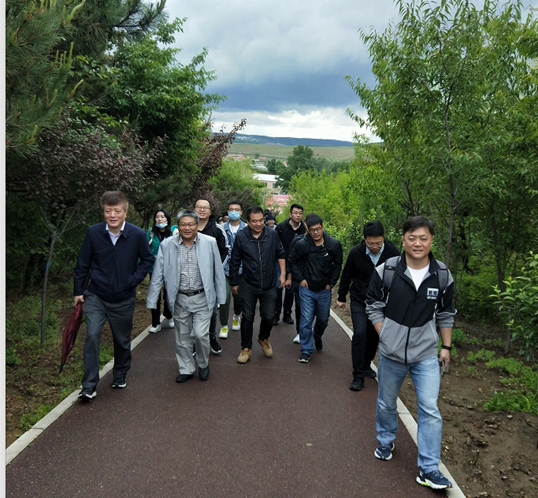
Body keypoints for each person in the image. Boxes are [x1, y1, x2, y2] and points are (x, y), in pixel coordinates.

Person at [366, 216, 456, 490]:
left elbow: (446, 313)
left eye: (423, 238)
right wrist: (386, 334)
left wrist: (446, 347)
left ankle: (429, 468)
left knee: (430, 409)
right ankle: (385, 439)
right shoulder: (387, 270)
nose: (418, 243)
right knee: (386, 403)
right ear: (403, 239)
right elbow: (373, 305)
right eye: (412, 238)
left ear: (431, 241)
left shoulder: (442, 275)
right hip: (392, 353)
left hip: (426, 355)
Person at [74, 191, 155, 400]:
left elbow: (148, 259)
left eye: (117, 211)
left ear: (125, 213)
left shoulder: (137, 235)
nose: (112, 215)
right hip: (96, 295)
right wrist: (78, 291)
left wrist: (132, 281)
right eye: (108, 210)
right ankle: (89, 385)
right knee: (92, 336)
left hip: (123, 298)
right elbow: (82, 263)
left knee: (121, 340)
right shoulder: (93, 233)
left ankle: (120, 374)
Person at [147, 209, 226, 382]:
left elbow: (218, 271)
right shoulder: (167, 244)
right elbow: (158, 273)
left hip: (202, 297)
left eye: (191, 224)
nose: (187, 228)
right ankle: (186, 368)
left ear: (197, 225)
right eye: (183, 224)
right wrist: (152, 299)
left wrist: (221, 297)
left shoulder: (209, 242)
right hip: (179, 298)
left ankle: (203, 363)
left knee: (200, 334)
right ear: (177, 226)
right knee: (182, 337)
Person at [337, 221, 400, 391]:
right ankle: (358, 375)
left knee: (374, 336)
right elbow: (347, 275)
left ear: (383, 238)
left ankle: (366, 363)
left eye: (378, 243)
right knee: (359, 333)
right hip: (360, 299)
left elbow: (399, 278)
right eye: (370, 244)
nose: (374, 247)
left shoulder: (393, 253)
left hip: (381, 303)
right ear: (364, 239)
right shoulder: (356, 253)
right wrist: (342, 296)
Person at [229, 206, 286, 364]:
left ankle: (263, 338)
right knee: (247, 317)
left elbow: (280, 253)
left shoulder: (272, 234)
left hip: (269, 284)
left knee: (269, 316)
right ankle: (246, 348)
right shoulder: (242, 236)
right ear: (247, 222)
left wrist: (282, 274)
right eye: (254, 221)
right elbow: (235, 260)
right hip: (249, 283)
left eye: (261, 220)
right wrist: (234, 282)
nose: (258, 224)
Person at [288, 213, 343, 363]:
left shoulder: (333, 244)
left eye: (318, 229)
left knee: (323, 319)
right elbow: (292, 261)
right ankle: (306, 350)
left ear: (323, 227)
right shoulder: (302, 244)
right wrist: (301, 279)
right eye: (312, 230)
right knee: (306, 319)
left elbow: (338, 264)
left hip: (324, 288)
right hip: (307, 288)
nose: (316, 232)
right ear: (308, 229)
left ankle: (317, 336)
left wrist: (331, 283)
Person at [194, 198, 230, 355]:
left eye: (205, 208)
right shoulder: (188, 226)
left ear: (210, 211)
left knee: (212, 310)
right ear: (194, 209)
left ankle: (211, 337)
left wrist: (216, 269)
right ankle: (194, 342)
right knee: (191, 311)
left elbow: (225, 250)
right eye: (199, 207)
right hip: (190, 277)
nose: (202, 210)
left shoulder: (217, 229)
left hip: (211, 278)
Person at [219, 200, 247, 339]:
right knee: (224, 297)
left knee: (239, 298)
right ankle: (224, 325)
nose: (234, 212)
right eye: (231, 210)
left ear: (241, 212)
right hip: (224, 268)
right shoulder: (220, 229)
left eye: (237, 209)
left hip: (242, 269)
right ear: (227, 212)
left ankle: (236, 316)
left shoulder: (247, 229)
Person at [275, 204, 306, 325]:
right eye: (295, 213)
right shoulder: (281, 227)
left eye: (300, 213)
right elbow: (275, 244)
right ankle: (276, 314)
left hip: (296, 264)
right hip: (281, 261)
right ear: (290, 214)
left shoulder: (304, 228)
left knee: (291, 289)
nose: (298, 215)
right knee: (278, 287)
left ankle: (287, 314)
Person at [147, 208, 175, 333]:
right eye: (157, 217)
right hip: (154, 268)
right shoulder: (151, 232)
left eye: (162, 217)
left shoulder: (173, 232)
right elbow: (146, 249)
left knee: (169, 293)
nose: (159, 219)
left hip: (170, 268)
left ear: (167, 219)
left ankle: (169, 315)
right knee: (155, 295)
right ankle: (155, 323)